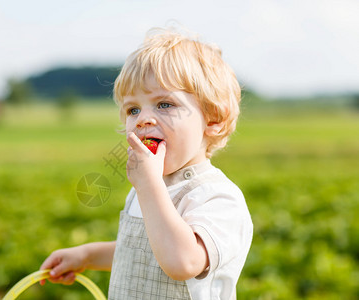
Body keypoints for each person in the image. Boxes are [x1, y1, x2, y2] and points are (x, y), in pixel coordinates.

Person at [40, 26, 253, 299]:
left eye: (164, 104)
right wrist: (87, 255)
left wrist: (149, 185)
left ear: (213, 119)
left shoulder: (217, 198)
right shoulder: (148, 188)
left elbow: (182, 262)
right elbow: (141, 252)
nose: (143, 119)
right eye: (133, 109)